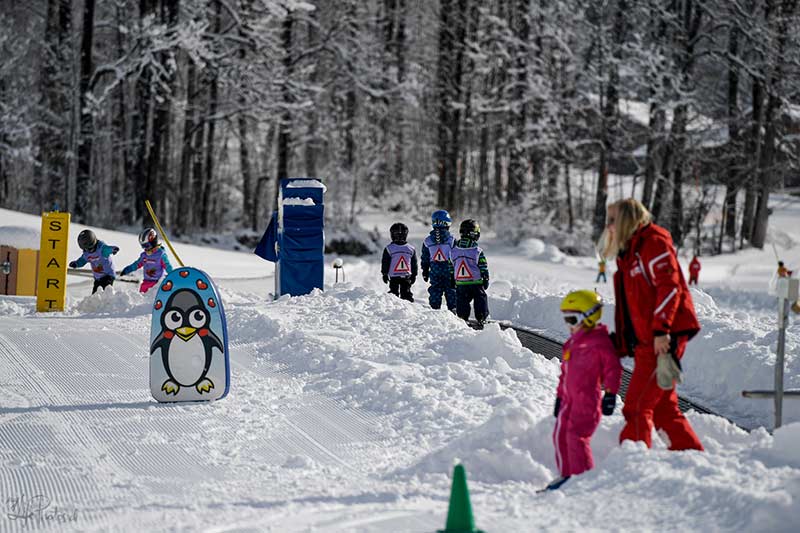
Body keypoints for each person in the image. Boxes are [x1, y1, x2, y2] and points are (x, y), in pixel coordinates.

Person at [602, 198, 703, 451]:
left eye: (613, 220)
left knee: (636, 406)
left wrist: (661, 330)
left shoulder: (653, 244)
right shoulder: (631, 253)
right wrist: (625, 341)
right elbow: (635, 303)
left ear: (627, 219)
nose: (609, 226)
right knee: (663, 408)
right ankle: (690, 456)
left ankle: (632, 460)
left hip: (663, 338)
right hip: (649, 339)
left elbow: (670, 288)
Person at [548, 290, 622, 491]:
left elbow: (613, 369)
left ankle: (583, 479)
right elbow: (565, 374)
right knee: (560, 435)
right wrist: (559, 397)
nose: (568, 325)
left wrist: (610, 394)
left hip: (587, 402)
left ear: (589, 317)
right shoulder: (571, 343)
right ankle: (567, 476)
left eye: (572, 319)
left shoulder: (600, 342)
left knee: (576, 437)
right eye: (566, 320)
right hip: (568, 402)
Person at [450, 219, 489, 326]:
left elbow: (451, 265)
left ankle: (462, 318)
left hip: (461, 283)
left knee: (462, 300)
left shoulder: (453, 250)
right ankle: (481, 318)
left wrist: (451, 278)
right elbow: (483, 266)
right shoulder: (477, 250)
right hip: (476, 282)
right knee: (480, 298)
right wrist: (485, 278)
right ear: (474, 233)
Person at [421, 210, 456, 311]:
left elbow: (425, 257)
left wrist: (425, 270)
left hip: (435, 270)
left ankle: (435, 309)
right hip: (449, 271)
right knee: (451, 290)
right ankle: (453, 309)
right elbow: (456, 256)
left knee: (435, 289)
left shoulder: (427, 241)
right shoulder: (452, 240)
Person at [120, 228, 174, 293]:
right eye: (143, 246)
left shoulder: (160, 255)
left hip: (157, 284)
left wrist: (173, 275)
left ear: (153, 242)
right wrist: (128, 269)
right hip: (146, 283)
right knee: (141, 298)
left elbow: (167, 266)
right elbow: (136, 264)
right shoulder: (144, 256)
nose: (145, 248)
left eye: (147, 246)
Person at [68, 229, 120, 294]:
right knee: (95, 294)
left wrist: (113, 249)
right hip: (98, 277)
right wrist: (76, 264)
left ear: (94, 243)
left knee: (105, 292)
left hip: (108, 275)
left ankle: (106, 302)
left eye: (90, 248)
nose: (90, 251)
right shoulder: (87, 254)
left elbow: (108, 249)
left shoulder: (101, 249)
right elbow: (82, 261)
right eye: (86, 249)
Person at [381, 222, 417, 302]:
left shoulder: (389, 248)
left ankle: (395, 308)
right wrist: (414, 274)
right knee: (406, 294)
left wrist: (385, 273)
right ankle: (408, 308)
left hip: (394, 276)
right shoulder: (410, 248)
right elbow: (414, 264)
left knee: (394, 295)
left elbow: (385, 262)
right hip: (406, 276)